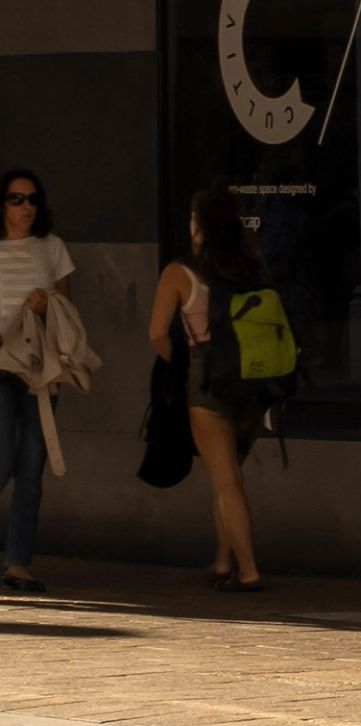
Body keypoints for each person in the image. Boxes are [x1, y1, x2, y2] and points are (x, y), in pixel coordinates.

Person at [150, 189, 269, 590]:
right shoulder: (251, 264)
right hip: (254, 382)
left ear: (198, 224)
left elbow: (156, 335)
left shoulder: (179, 272)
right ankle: (222, 562)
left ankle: (249, 571)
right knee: (230, 476)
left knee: (226, 482)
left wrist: (180, 363)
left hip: (208, 381)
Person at [0, 165, 79, 590]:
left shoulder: (52, 248)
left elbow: (68, 312)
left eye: (32, 199)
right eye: (16, 198)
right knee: (1, 457)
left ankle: (17, 562)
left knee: (33, 462)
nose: (26, 207)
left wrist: (45, 306)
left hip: (39, 367)